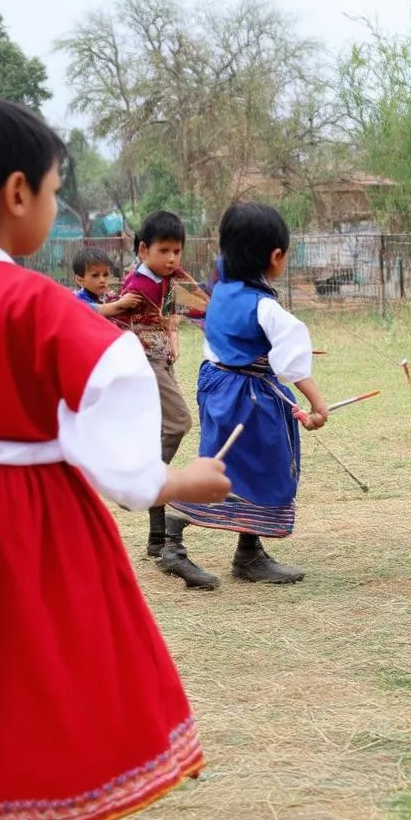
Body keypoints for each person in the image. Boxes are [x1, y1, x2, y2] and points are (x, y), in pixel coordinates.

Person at [0, 96, 231, 820]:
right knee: (15, 684)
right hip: (23, 520)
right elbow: (120, 457)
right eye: (52, 190)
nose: (52, 206)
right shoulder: (45, 308)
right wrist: (182, 483)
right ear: (19, 195)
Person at [168, 202, 328, 584]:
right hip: (249, 397)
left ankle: (248, 554)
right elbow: (292, 366)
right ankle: (171, 540)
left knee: (241, 465)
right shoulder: (266, 309)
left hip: (215, 385)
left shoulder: (221, 287)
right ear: (276, 256)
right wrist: (317, 404)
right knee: (244, 467)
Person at [116, 212, 218, 589]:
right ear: (143, 250)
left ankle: (157, 542)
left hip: (159, 360)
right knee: (179, 424)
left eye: (177, 251)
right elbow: (200, 306)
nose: (173, 258)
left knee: (156, 444)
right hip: (143, 362)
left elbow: (201, 308)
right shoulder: (140, 284)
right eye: (164, 251)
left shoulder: (163, 278)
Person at [71, 245, 142, 318]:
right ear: (79, 279)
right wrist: (120, 303)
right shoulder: (77, 299)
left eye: (105, 275)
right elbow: (95, 310)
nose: (102, 280)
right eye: (95, 275)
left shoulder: (105, 295)